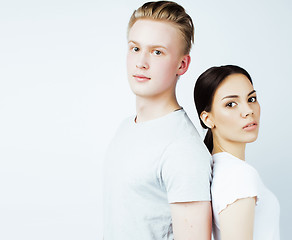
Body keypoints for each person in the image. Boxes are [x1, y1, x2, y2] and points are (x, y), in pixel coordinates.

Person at [103, 1, 212, 239]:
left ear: (182, 65)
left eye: (157, 52)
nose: (141, 62)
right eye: (135, 48)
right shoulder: (127, 126)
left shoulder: (183, 149)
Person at [194, 65, 280, 240]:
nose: (248, 111)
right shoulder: (238, 175)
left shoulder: (216, 170)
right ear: (207, 118)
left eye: (251, 99)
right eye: (231, 104)